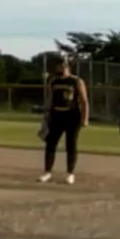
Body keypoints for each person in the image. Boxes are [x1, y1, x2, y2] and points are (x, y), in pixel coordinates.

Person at [38, 57, 89, 185]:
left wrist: (85, 118)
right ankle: (47, 172)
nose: (57, 68)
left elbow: (84, 101)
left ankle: (70, 174)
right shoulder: (53, 81)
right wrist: (46, 115)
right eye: (56, 66)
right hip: (56, 115)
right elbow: (50, 99)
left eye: (59, 65)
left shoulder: (76, 81)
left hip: (72, 116)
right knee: (51, 143)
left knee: (71, 144)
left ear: (66, 66)